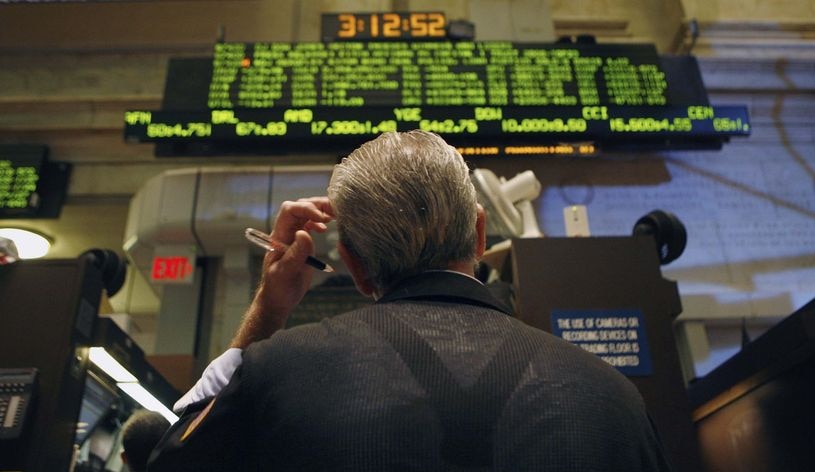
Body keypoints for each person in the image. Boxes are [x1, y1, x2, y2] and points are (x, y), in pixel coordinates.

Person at [148, 130, 671, 471]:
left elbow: (168, 459)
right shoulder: (612, 397)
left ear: (351, 263)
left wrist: (268, 312)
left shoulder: (277, 374)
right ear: (480, 234)